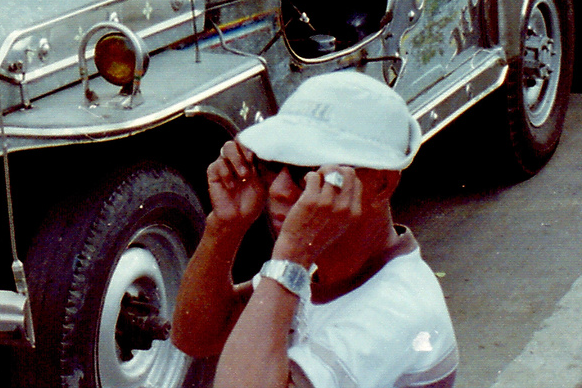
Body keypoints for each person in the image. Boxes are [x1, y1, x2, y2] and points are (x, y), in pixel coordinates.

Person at [173, 71, 460, 388]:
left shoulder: (396, 311)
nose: (279, 189)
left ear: (381, 184)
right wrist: (225, 227)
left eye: (305, 171)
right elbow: (195, 337)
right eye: (271, 164)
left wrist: (292, 256)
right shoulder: (324, 267)